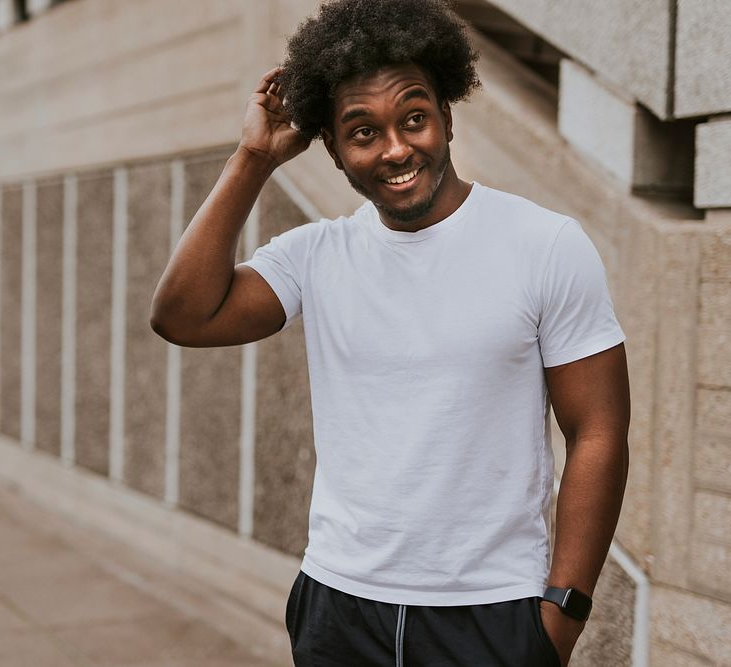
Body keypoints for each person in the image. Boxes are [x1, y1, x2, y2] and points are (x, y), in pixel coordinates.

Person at [150, 0, 630, 664]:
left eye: (413, 118)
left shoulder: (545, 245)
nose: (397, 148)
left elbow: (598, 432)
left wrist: (562, 614)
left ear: (447, 117)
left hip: (489, 612)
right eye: (363, 131)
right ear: (335, 151)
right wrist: (254, 157)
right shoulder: (314, 255)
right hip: (339, 605)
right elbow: (181, 315)